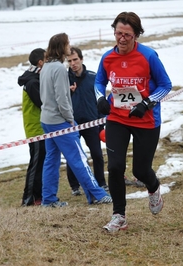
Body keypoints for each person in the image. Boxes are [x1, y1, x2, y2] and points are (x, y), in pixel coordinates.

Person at [95, 12, 172, 232]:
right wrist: (100, 98)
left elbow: (166, 86)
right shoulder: (107, 57)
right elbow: (99, 81)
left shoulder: (148, 56)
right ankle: (119, 216)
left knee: (141, 169)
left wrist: (147, 103)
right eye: (118, 33)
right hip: (117, 118)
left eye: (127, 34)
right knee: (116, 166)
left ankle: (154, 187)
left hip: (146, 120)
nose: (122, 38)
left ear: (136, 35)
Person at [39, 33, 112, 207]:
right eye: (67, 43)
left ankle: (48, 199)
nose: (69, 46)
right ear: (61, 46)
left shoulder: (46, 67)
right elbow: (62, 99)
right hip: (59, 122)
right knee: (78, 158)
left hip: (47, 120)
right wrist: (70, 119)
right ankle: (97, 195)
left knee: (51, 160)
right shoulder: (58, 69)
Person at [66, 46, 108, 196]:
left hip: (92, 122)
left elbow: (100, 100)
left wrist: (101, 122)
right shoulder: (64, 79)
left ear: (81, 59)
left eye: (75, 59)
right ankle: (74, 186)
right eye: (69, 61)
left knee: (97, 154)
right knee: (73, 156)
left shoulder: (93, 77)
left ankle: (101, 182)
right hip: (73, 124)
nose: (73, 63)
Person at [17, 48, 46, 206]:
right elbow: (42, 103)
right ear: (41, 62)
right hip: (36, 129)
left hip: (40, 128)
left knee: (41, 163)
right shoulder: (33, 81)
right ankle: (28, 198)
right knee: (35, 164)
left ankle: (38, 196)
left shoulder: (36, 78)